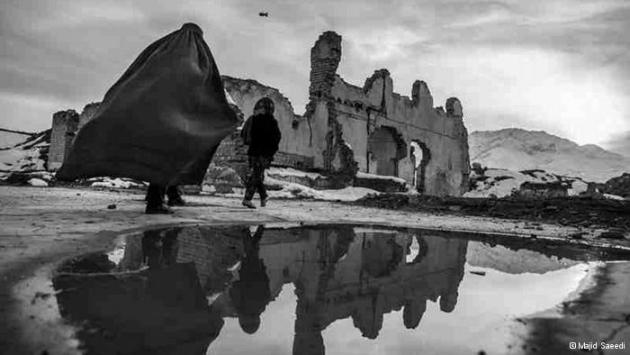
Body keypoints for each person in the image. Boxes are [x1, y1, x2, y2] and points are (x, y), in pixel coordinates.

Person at [241, 97, 281, 209]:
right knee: (257, 176)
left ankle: (250, 198)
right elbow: (276, 139)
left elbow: (244, 135)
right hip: (261, 154)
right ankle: (261, 196)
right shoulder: (271, 122)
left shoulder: (254, 120)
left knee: (256, 175)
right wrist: (270, 152)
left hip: (256, 153)